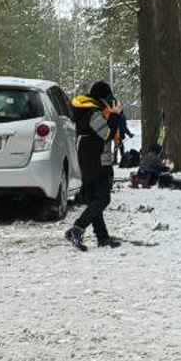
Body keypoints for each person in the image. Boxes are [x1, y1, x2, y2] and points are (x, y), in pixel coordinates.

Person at [64, 81, 122, 251]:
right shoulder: (93, 113)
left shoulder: (86, 110)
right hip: (95, 159)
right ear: (102, 98)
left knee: (95, 198)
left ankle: (102, 237)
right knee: (103, 198)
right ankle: (78, 228)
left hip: (87, 158)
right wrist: (116, 115)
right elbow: (107, 134)